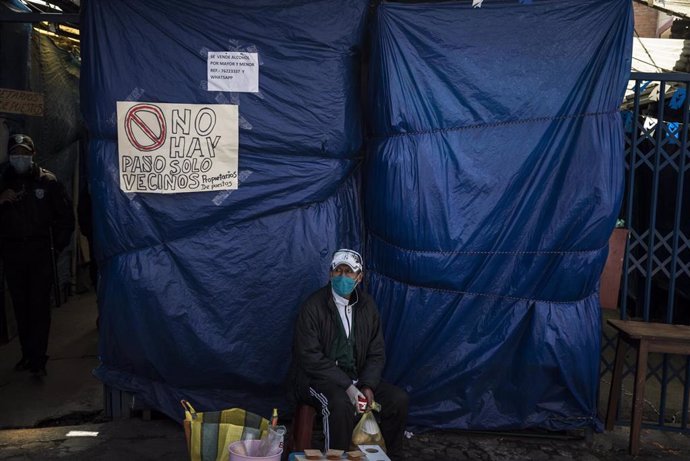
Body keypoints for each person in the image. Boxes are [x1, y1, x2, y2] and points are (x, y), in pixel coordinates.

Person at [289, 249, 409, 457]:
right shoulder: (314, 306)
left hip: (357, 379)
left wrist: (367, 385)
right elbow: (309, 357)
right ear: (330, 273)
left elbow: (376, 352)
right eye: (338, 271)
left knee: (398, 400)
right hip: (315, 380)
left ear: (359, 277)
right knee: (339, 403)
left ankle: (391, 456)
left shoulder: (367, 307)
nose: (343, 276)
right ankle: (338, 456)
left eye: (349, 272)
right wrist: (348, 387)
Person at [0, 134, 74, 377]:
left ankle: (38, 359)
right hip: (13, 253)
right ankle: (27, 354)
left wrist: (56, 248)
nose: (19, 158)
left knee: (40, 306)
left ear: (33, 155)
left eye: (24, 153)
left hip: (40, 252)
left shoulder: (48, 182)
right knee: (20, 307)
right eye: (15, 153)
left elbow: (65, 218)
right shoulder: (2, 181)